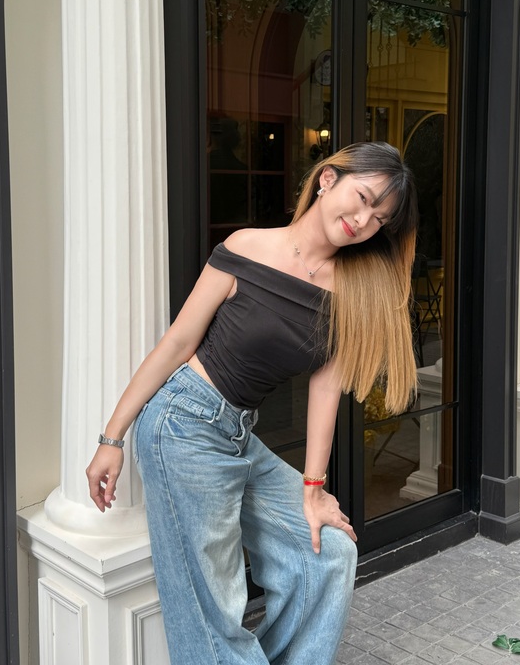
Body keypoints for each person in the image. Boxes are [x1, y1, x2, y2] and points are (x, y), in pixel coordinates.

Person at [86, 141, 418, 665]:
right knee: (215, 610)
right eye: (362, 198)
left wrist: (313, 490)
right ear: (328, 179)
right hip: (182, 422)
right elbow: (177, 343)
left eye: (379, 219)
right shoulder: (247, 247)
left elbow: (325, 389)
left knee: (329, 554)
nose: (363, 221)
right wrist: (112, 438)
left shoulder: (351, 291)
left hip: (238, 434)